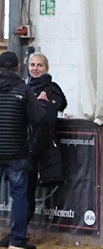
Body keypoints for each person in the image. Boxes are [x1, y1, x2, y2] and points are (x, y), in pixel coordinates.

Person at [0, 50, 45, 249]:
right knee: (19, 195)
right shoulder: (24, 90)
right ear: (18, 67)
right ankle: (17, 240)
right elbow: (39, 118)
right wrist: (41, 102)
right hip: (16, 150)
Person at [24, 53, 68, 221]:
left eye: (39, 65)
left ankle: (20, 231)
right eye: (32, 65)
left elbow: (48, 119)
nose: (35, 68)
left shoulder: (52, 89)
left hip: (37, 148)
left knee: (27, 190)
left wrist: (42, 104)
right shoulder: (24, 87)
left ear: (46, 68)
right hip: (24, 146)